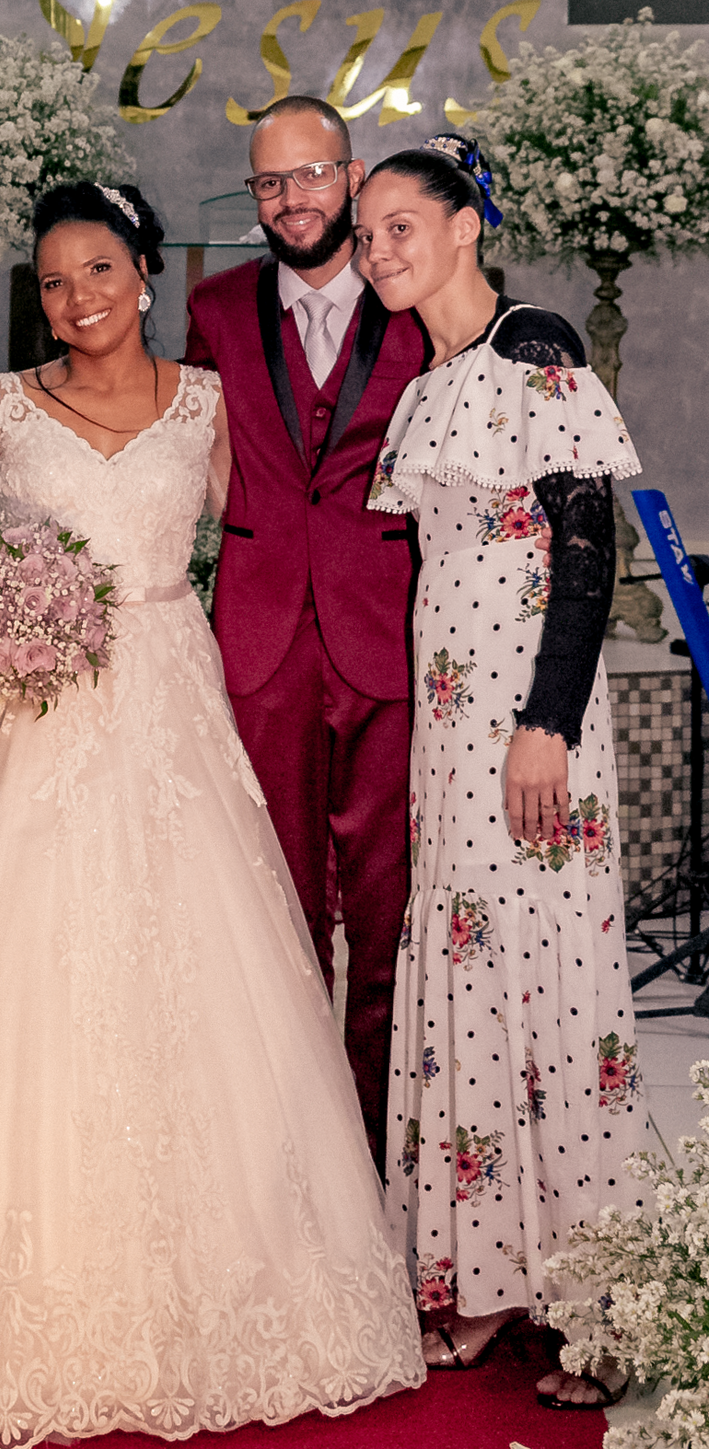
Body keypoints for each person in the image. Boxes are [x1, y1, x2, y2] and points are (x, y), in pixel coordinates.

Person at [0, 180, 425, 1445]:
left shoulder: (212, 404)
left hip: (173, 699)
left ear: (144, 273)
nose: (77, 299)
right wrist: (1, 613)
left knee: (202, 973)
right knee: (4, 966)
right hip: (28, 713)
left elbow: (273, 535)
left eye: (100, 272)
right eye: (56, 281)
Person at [356, 136, 648, 1410]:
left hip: (531, 725)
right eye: (366, 235)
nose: (378, 252)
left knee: (554, 983)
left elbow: (589, 542)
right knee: (472, 975)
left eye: (401, 227)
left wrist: (549, 721)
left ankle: (600, 1302)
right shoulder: (430, 383)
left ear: (465, 225)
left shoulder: (534, 345)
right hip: (452, 728)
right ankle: (481, 1277)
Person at [184, 95, 429, 1168]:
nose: (292, 199)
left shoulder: (415, 297)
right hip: (261, 637)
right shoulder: (215, 306)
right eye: (271, 182)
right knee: (272, 908)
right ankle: (287, 1159)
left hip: (390, 636)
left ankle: (373, 1150)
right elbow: (193, 449)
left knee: (386, 911)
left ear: (353, 175)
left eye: (313, 174)